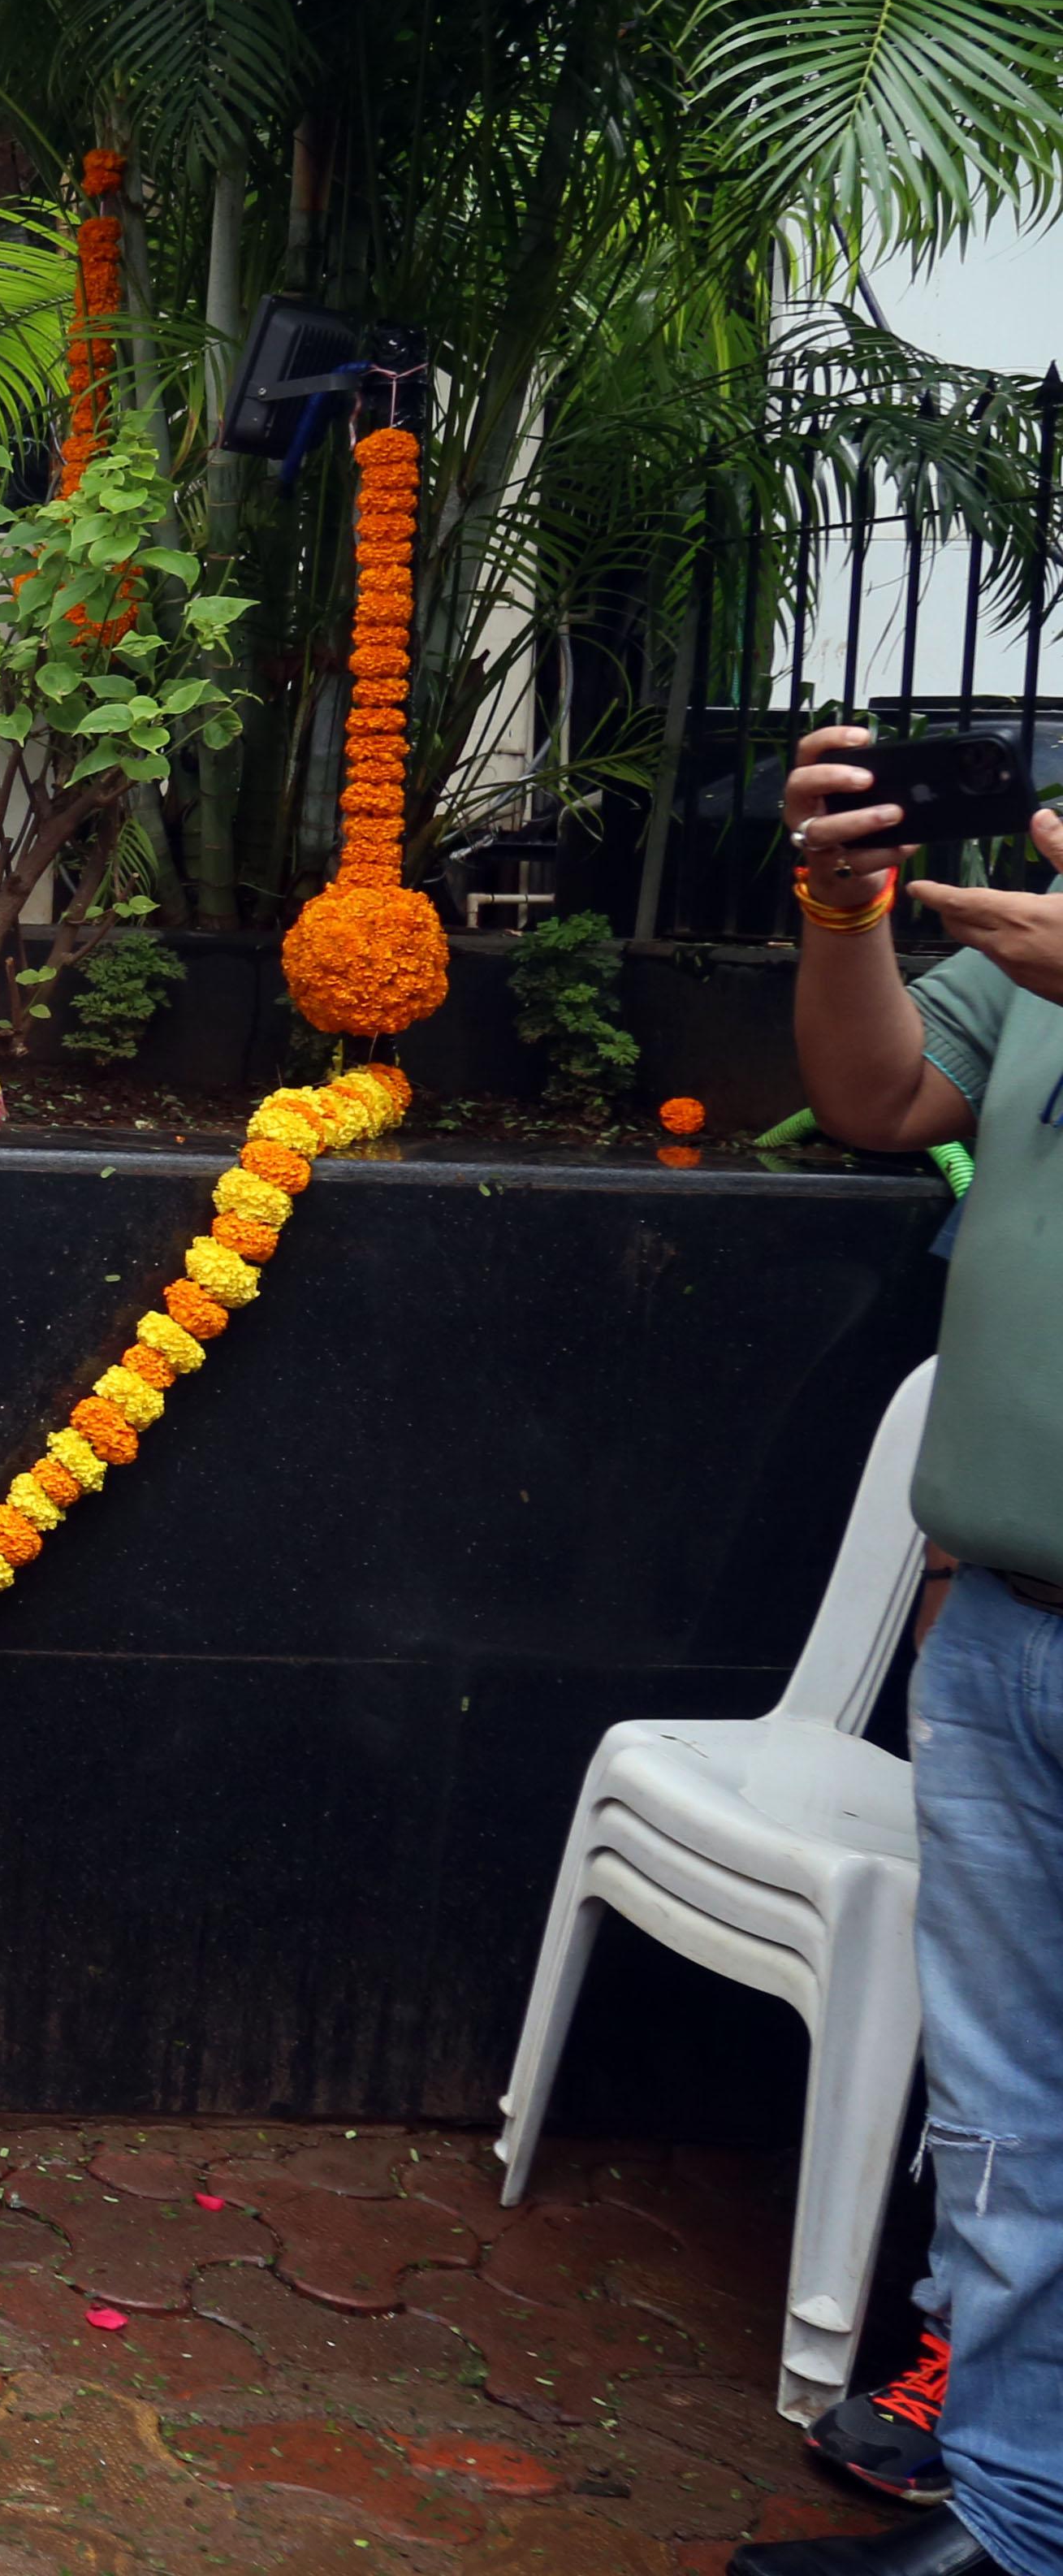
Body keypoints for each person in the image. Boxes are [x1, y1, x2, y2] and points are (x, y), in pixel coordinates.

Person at [730, 731, 1063, 2576]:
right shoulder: (1033, 942)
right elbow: (872, 1094)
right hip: (1007, 1631)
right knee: (1012, 2117)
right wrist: (841, 908)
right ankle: (1014, 2527)